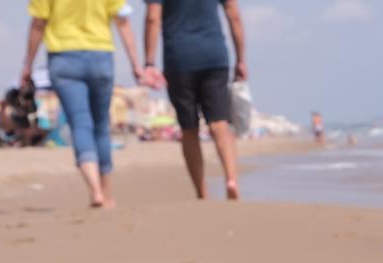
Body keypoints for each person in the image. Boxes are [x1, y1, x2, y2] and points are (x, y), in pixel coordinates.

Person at [21, 0, 143, 209]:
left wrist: (28, 66)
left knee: (80, 123)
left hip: (63, 57)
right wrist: (136, 64)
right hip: (100, 55)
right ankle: (107, 193)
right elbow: (122, 22)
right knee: (101, 126)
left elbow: (38, 24)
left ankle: (95, 190)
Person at [143, 0, 247, 201]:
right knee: (220, 123)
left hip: (179, 59)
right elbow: (234, 16)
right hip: (214, 55)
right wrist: (241, 59)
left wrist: (149, 62)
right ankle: (231, 180)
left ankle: (202, 192)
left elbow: (152, 18)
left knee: (189, 128)